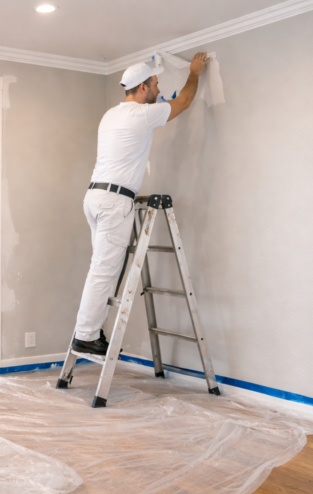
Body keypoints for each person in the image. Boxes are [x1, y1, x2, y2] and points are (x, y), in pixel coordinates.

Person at [71, 52, 211, 355]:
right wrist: (195, 73)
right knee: (103, 271)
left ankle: (90, 331)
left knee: (102, 269)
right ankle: (85, 334)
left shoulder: (111, 114)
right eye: (156, 84)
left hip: (95, 198)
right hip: (113, 202)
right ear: (143, 88)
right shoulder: (142, 114)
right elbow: (184, 102)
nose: (159, 90)